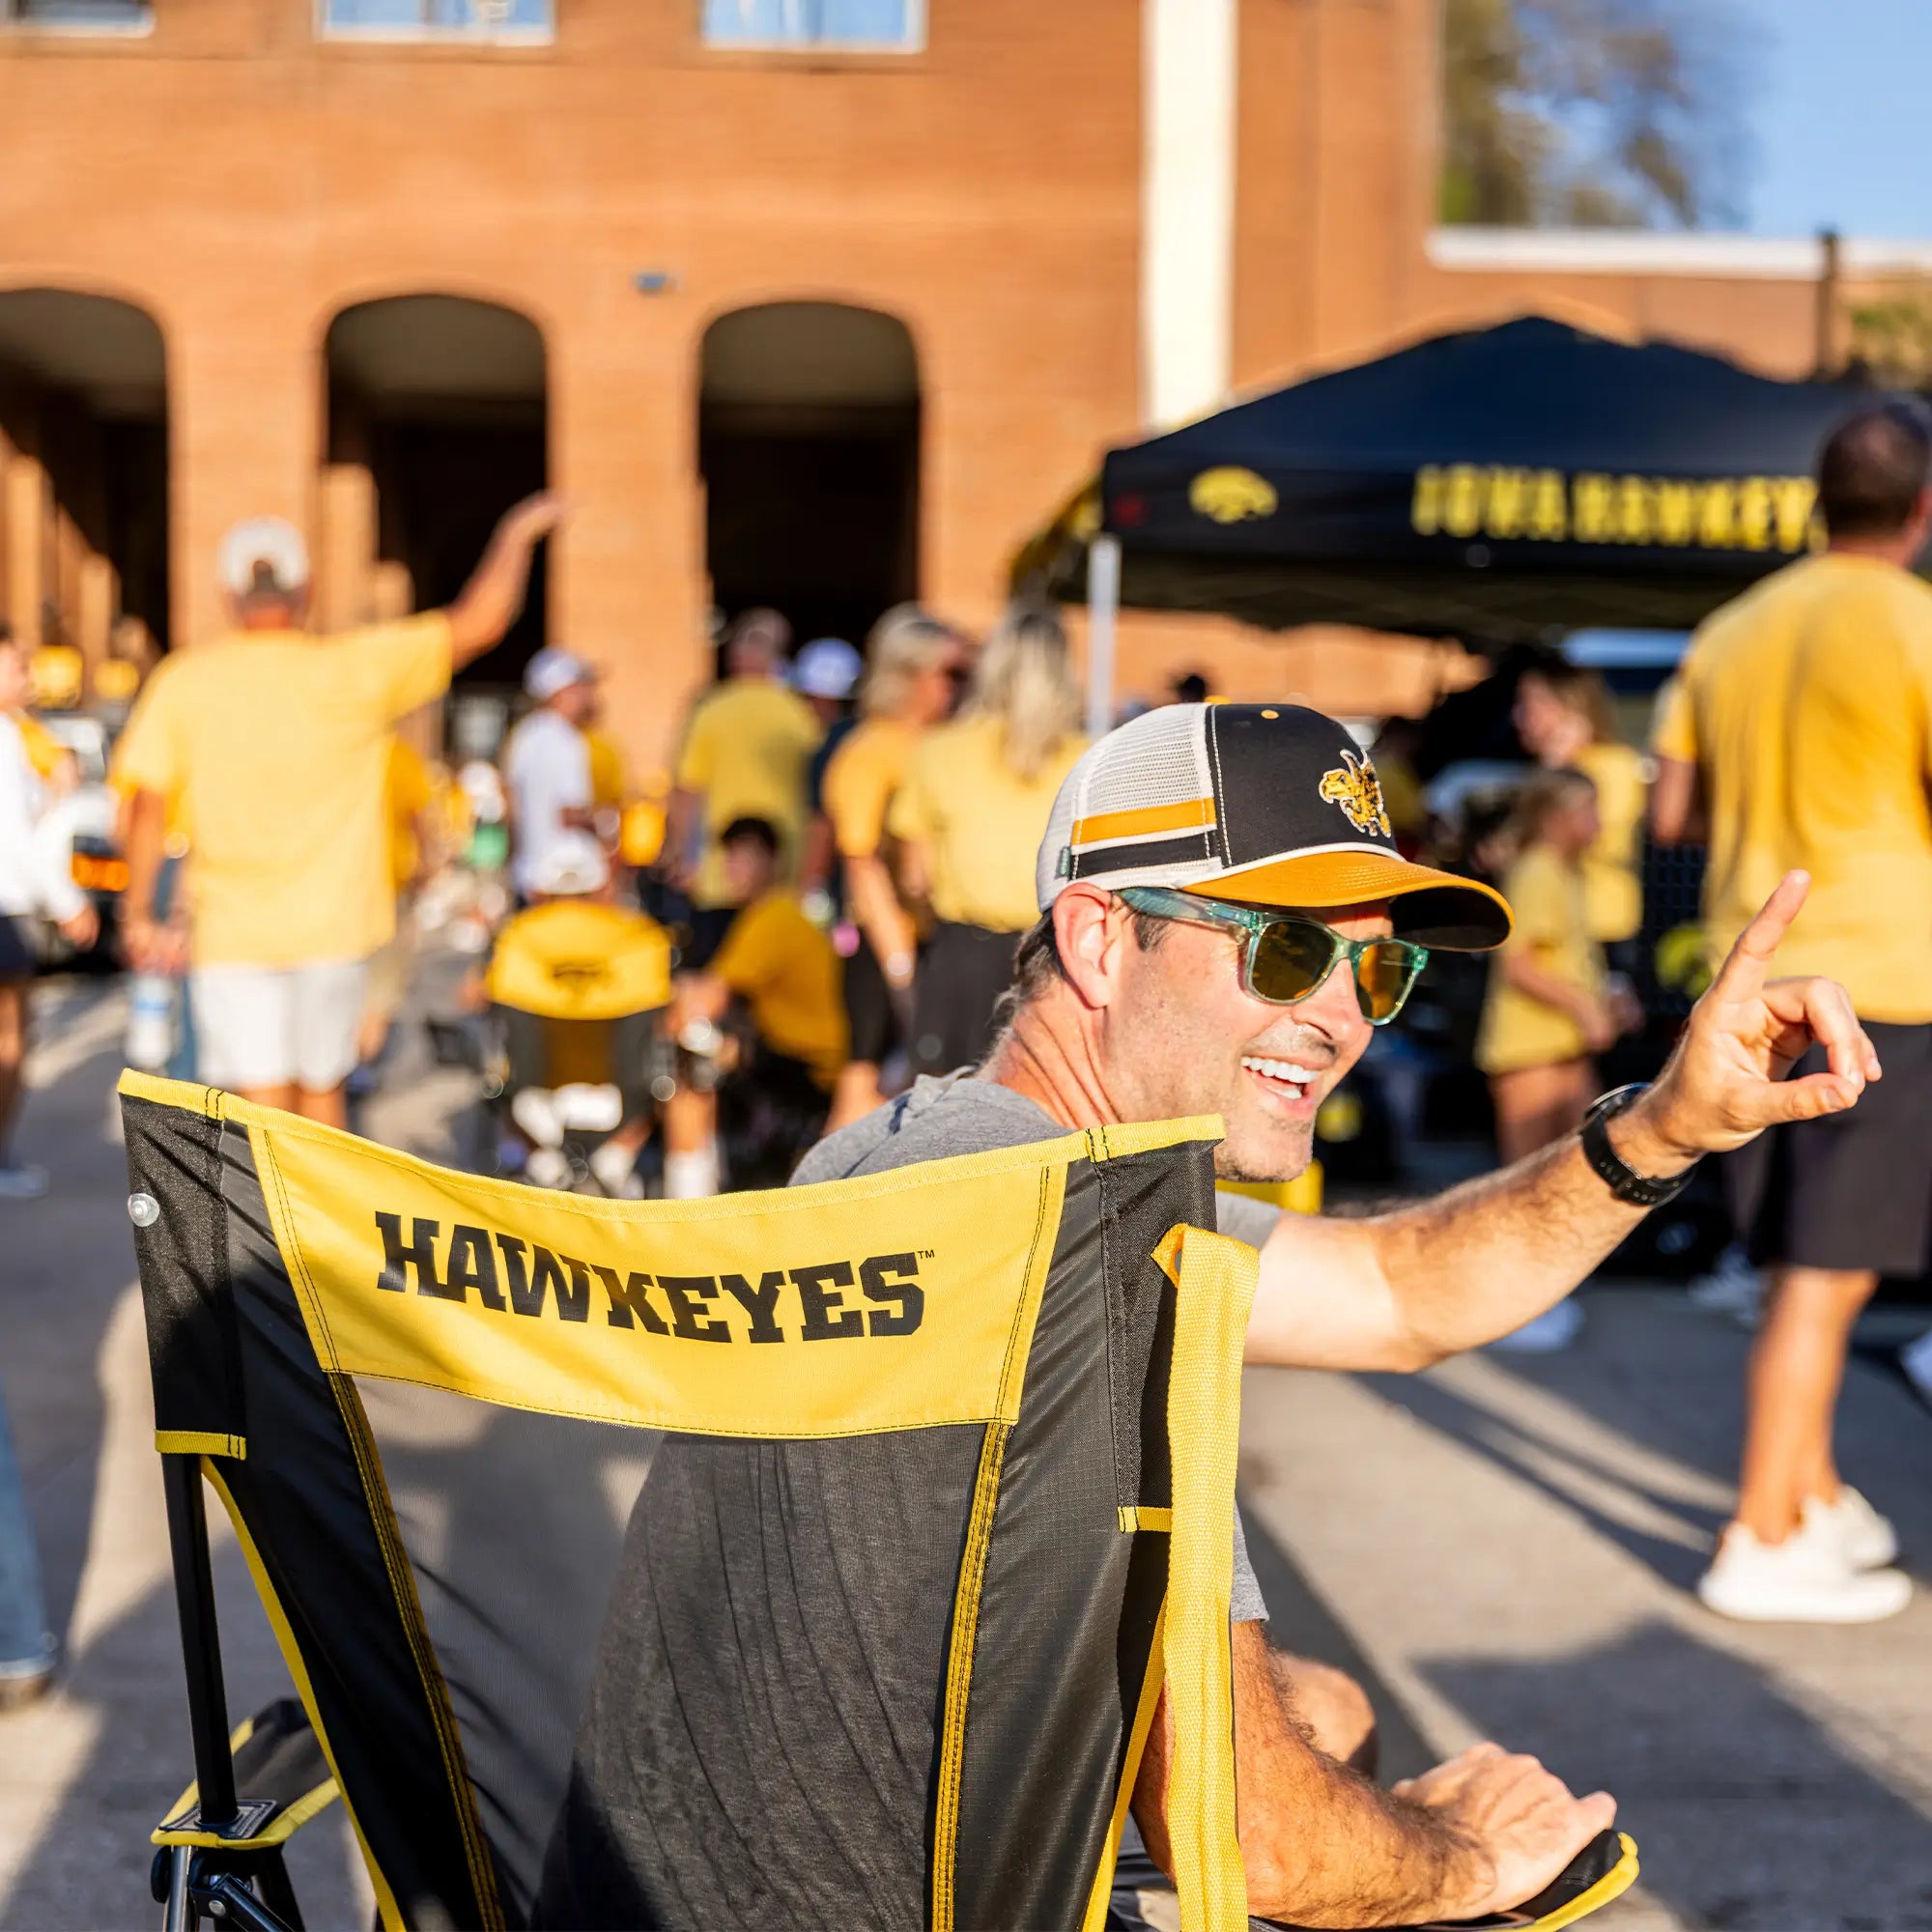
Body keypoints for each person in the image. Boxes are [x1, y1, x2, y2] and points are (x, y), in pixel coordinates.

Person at [549, 701, 1874, 1929]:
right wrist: (1467, 1858)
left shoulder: (943, 1152)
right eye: (1287, 949)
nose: (1339, 1018)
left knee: (1334, 1708)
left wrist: (1667, 1125)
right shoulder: (1067, 1250)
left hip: (712, 1868)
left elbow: (1399, 1290)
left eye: (1378, 971)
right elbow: (1265, 1838)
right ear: (1099, 937)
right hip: (877, 1894)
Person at [1652, 404, 1931, 1625]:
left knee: (1789, 1264)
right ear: (1920, 511)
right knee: (1825, 1278)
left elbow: (1672, 815)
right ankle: (1757, 1531)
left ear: (1816, 504)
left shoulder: (1727, 630)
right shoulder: (1913, 623)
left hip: (1744, 976)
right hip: (1880, 978)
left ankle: (1807, 1496)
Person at [118, 495, 565, 1129]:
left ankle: (268, 1229)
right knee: (324, 1098)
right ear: (307, 591)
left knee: (258, 1107)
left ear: (228, 595)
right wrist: (517, 532)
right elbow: (481, 621)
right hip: (334, 927)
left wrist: (138, 911)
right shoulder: (352, 668)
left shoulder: (185, 681)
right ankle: (317, 1228)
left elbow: (146, 803)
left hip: (232, 933)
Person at [889, 604, 1085, 1077]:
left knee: (945, 1120)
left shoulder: (939, 751)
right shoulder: (1089, 759)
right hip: (1057, 956)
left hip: (962, 957)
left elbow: (914, 879)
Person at [1476, 769, 1635, 1351]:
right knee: (1526, 1181)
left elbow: (1570, 957)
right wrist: (1583, 1008)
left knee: (1572, 1170)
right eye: (1588, 811)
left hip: (1562, 1048)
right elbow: (1519, 964)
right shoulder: (1537, 869)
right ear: (1557, 815)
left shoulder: (1567, 873)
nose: (1598, 825)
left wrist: (1608, 998)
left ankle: (1543, 1291)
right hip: (1528, 1048)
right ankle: (1512, 1306)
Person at [467, 829, 668, 1198]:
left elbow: (477, 1001)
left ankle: (547, 1168)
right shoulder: (642, 939)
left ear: (539, 891)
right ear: (603, 888)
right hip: (623, 1103)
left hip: (535, 1105)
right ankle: (622, 1166)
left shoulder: (517, 938)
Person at [819, 606, 961, 1128]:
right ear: (908, 674)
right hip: (884, 946)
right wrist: (900, 968)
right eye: (950, 673)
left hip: (931, 938)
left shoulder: (936, 745)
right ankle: (820, 1204)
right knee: (865, 1085)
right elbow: (862, 865)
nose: (959, 687)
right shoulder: (869, 751)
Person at [663, 814, 847, 1194]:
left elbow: (703, 1001)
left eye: (748, 855)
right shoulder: (772, 912)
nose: (735, 867)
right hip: (800, 1060)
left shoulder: (773, 915)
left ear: (775, 862)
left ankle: (690, 1207)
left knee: (689, 1077)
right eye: (731, 855)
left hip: (810, 1069)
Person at [665, 608, 820, 967]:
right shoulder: (799, 716)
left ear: (736, 655)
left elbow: (688, 791)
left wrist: (680, 855)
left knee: (715, 973)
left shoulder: (711, 712)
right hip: (784, 875)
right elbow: (816, 800)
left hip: (719, 876)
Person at [0, 631, 98, 1196]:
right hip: (6, 910)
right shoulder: (7, 735)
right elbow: (14, 835)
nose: (29, 679)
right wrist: (69, 903)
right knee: (11, 1040)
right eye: (17, 667)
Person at [1514, 659, 1648, 960]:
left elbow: (1605, 841)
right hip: (1549, 921)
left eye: (1531, 703)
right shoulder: (1550, 769)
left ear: (1569, 707)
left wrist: (1557, 768)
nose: (1519, 717)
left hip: (1599, 924)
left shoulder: (1612, 765)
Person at [505, 649, 600, 907]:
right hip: (566, 881)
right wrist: (605, 829)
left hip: (530, 875)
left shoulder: (524, 735)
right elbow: (570, 813)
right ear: (560, 692)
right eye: (580, 687)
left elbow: (511, 807)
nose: (587, 695)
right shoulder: (566, 739)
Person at [792, 635, 864, 924]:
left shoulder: (833, 746)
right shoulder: (868, 735)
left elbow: (823, 821)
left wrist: (808, 890)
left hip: (849, 884)